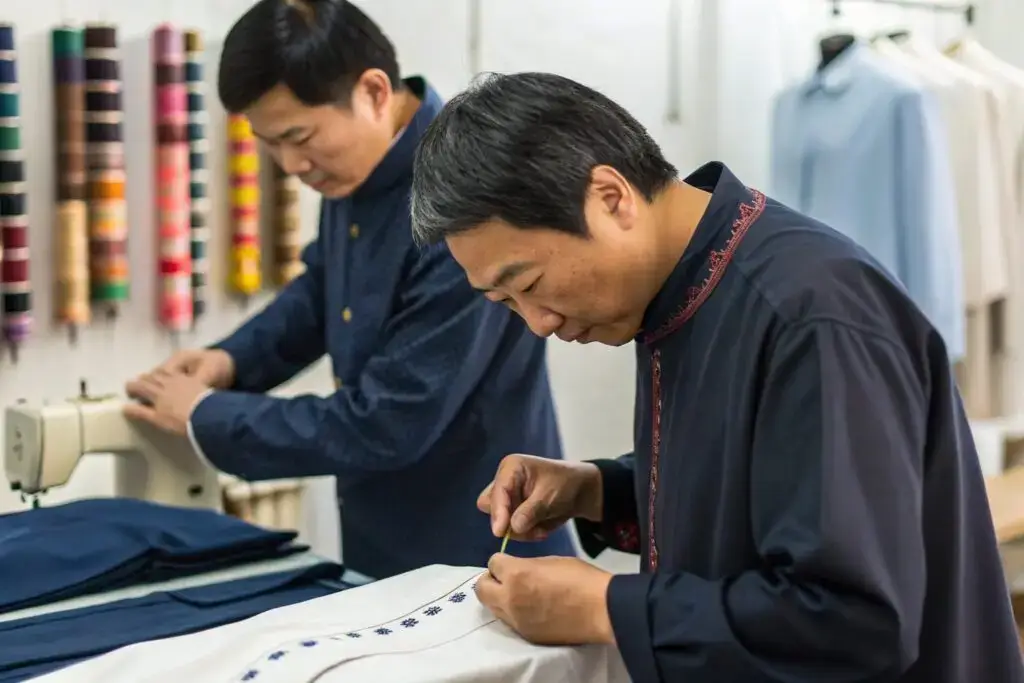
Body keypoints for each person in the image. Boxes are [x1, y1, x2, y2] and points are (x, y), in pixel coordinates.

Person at [409, 71, 1024, 682]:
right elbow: (763, 491)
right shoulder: (686, 291)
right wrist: (598, 489)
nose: (539, 323)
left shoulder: (811, 314)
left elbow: (852, 622)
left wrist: (604, 607)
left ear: (611, 198)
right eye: (506, 303)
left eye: (530, 284)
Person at [122, 1, 575, 582]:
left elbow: (388, 422)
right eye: (270, 144)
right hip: (383, 537)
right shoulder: (357, 169)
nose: (290, 164)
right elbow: (323, 289)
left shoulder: (463, 195)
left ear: (374, 92)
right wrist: (229, 361)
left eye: (300, 137)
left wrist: (208, 414)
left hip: (481, 542)